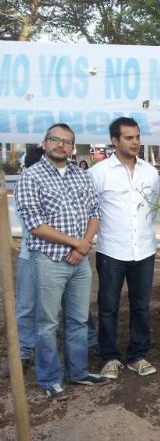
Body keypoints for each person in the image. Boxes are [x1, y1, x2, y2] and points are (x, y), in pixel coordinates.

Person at [15, 123, 110, 400]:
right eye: (55, 139)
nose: (61, 145)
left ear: (72, 147)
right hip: (47, 260)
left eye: (67, 141)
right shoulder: (31, 177)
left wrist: (84, 246)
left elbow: (95, 211)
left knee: (79, 319)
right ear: (44, 143)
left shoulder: (81, 176)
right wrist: (76, 243)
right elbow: (35, 224)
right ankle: (49, 379)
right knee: (46, 323)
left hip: (79, 261)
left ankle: (78, 372)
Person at [90, 117, 160, 379]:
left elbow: (152, 207)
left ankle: (138, 356)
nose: (135, 143)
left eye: (138, 137)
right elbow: (92, 210)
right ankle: (109, 358)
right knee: (108, 306)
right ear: (115, 140)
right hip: (111, 251)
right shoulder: (98, 173)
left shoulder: (150, 172)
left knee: (141, 306)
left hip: (143, 249)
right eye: (129, 138)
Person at [13, 146, 45, 372]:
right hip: (30, 255)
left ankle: (89, 343)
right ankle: (24, 352)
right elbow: (34, 226)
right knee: (26, 306)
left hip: (64, 256)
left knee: (73, 305)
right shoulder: (26, 185)